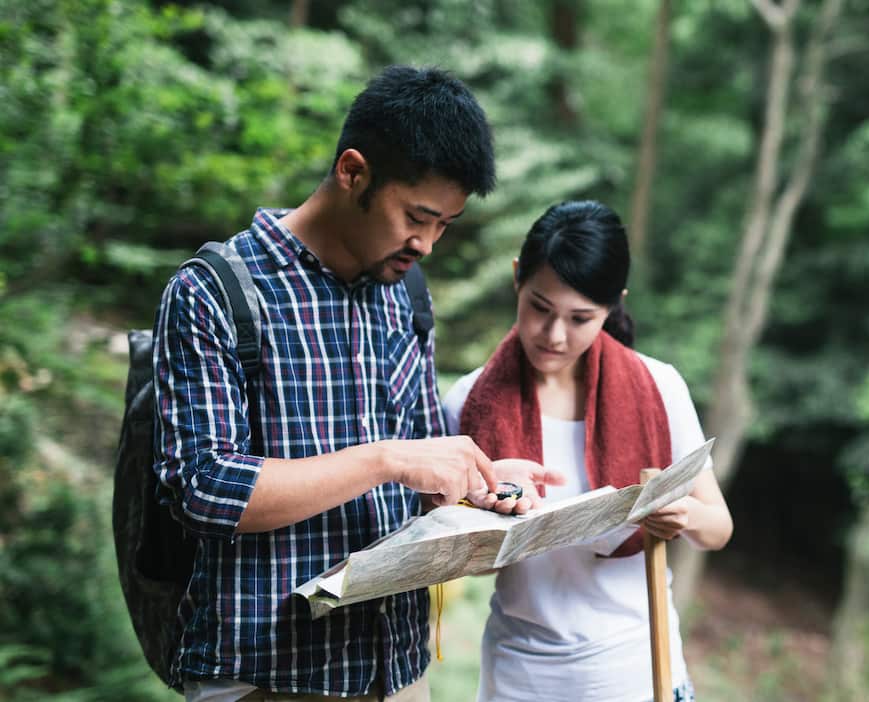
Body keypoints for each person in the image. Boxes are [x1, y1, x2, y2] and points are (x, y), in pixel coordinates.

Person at [153, 65, 557, 702]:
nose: (425, 243)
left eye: (444, 224)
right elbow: (202, 489)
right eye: (416, 215)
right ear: (352, 172)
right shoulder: (215, 292)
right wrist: (387, 460)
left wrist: (477, 483)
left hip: (397, 673)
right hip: (268, 675)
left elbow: (415, 471)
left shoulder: (406, 295)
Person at [443, 200, 734, 702]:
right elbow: (470, 564)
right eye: (540, 307)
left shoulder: (658, 388)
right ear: (517, 278)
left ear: (613, 304)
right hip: (521, 677)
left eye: (581, 318)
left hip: (639, 671)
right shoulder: (469, 402)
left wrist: (680, 514)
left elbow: (719, 529)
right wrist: (480, 510)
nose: (554, 335)